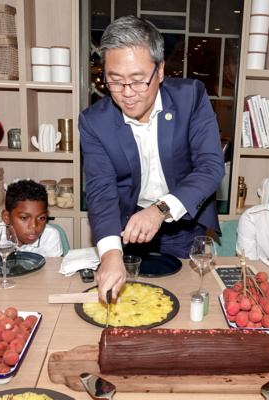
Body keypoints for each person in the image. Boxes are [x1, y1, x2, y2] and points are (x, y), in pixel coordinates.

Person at [79, 15, 225, 300]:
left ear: (159, 71)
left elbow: (210, 167)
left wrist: (160, 211)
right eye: (115, 81)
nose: (127, 94)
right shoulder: (94, 121)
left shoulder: (191, 97)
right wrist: (109, 252)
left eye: (137, 80)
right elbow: (101, 189)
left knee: (182, 297)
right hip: (127, 224)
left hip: (182, 221)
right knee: (133, 299)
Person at [0, 179, 63, 257]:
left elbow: (54, 273)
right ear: (6, 217)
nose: (33, 226)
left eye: (41, 218)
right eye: (24, 218)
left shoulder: (50, 236)